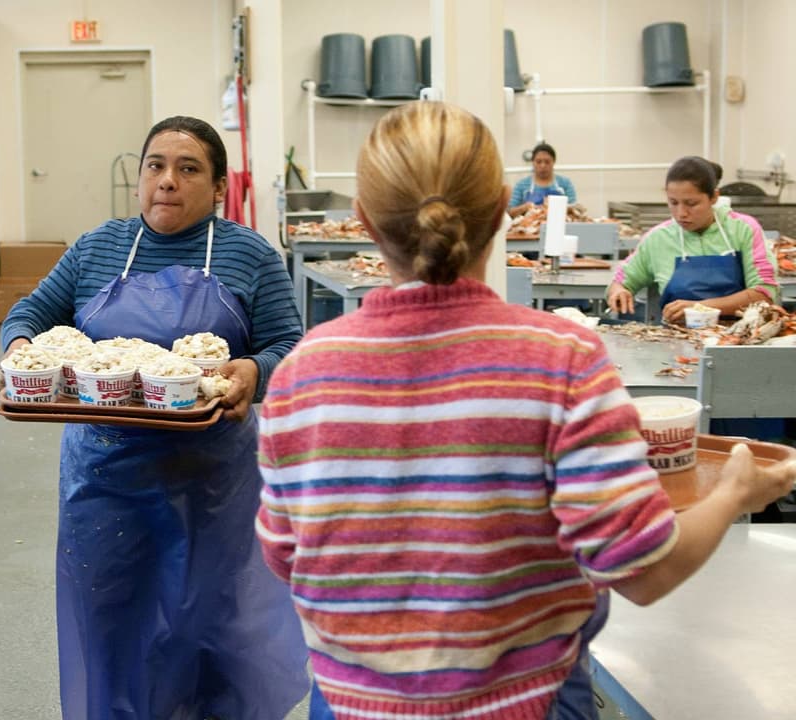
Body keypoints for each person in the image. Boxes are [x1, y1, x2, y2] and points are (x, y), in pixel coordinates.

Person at [254, 101, 796, 720]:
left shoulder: (301, 374)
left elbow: (284, 553)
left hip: (352, 703)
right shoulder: (561, 358)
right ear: (501, 214)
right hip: (526, 701)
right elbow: (645, 570)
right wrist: (734, 492)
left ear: (364, 220)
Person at [0, 116, 309, 719]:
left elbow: (289, 344)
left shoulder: (248, 254)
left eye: (188, 169)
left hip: (210, 481)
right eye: (155, 166)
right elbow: (30, 312)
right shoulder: (98, 248)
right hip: (104, 478)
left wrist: (254, 370)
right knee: (111, 616)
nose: (167, 180)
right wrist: (21, 350)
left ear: (217, 187)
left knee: (207, 624)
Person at [606, 155, 778, 325]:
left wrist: (700, 308)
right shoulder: (658, 239)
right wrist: (618, 292)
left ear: (714, 197)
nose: (681, 213)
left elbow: (764, 293)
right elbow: (620, 282)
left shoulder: (743, 229)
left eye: (691, 203)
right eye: (673, 202)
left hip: (741, 334)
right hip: (675, 337)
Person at [509, 142, 576, 215]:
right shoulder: (522, 184)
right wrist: (525, 207)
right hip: (530, 221)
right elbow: (510, 212)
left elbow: (575, 209)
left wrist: (559, 207)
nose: (543, 166)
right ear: (533, 162)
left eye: (547, 162)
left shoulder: (565, 183)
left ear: (553, 162)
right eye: (538, 162)